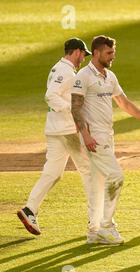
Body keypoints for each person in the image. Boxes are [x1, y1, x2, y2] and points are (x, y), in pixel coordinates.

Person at [71, 35, 140, 244]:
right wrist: (85, 135)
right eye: (109, 53)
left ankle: (94, 231)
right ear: (96, 53)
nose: (113, 56)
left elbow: (124, 102)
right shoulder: (83, 76)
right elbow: (75, 107)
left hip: (107, 135)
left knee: (98, 183)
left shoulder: (109, 76)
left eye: (113, 52)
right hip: (94, 137)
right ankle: (106, 226)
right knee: (116, 177)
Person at [17, 38, 92, 236]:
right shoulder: (65, 71)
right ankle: (96, 219)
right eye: (83, 54)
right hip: (67, 130)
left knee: (53, 172)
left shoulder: (59, 68)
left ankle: (30, 209)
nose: (84, 58)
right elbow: (51, 95)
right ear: (76, 51)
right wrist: (71, 112)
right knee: (88, 170)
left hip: (55, 129)